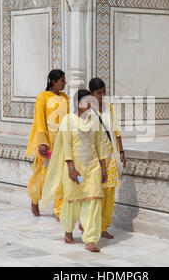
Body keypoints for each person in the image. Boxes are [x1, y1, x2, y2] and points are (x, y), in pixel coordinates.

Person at [41, 89, 109, 252]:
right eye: (88, 102)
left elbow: (100, 144)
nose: (91, 105)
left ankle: (91, 239)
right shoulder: (68, 121)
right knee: (73, 199)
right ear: (79, 104)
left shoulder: (95, 121)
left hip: (92, 167)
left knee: (94, 199)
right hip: (74, 168)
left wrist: (103, 168)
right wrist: (71, 168)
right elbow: (67, 146)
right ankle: (68, 231)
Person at [25, 69, 69, 219]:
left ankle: (59, 210)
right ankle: (35, 200)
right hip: (47, 143)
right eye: (62, 80)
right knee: (44, 175)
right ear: (54, 82)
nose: (65, 83)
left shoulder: (65, 97)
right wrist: (43, 142)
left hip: (62, 142)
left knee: (61, 176)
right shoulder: (42, 97)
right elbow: (39, 121)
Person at [88, 78, 126, 239]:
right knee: (97, 193)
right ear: (91, 93)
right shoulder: (88, 111)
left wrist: (122, 152)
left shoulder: (109, 108)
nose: (102, 95)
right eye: (99, 93)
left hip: (111, 155)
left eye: (104, 92)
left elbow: (116, 131)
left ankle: (103, 227)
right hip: (95, 157)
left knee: (109, 193)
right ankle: (90, 225)